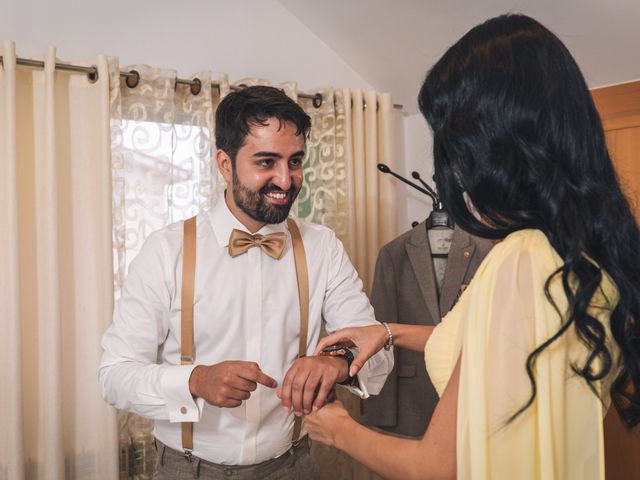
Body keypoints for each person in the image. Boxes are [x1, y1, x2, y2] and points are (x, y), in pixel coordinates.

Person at [303, 14, 640, 480]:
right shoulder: (577, 255)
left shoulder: (519, 261)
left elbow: (437, 465)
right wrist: (386, 332)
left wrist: (337, 428)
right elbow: (491, 348)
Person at [99, 85, 393, 479]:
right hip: (187, 470)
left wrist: (335, 361)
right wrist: (195, 380)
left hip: (294, 465)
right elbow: (114, 375)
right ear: (225, 163)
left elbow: (377, 347)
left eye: (295, 161)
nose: (285, 180)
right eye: (266, 162)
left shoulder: (323, 247)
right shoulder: (165, 251)